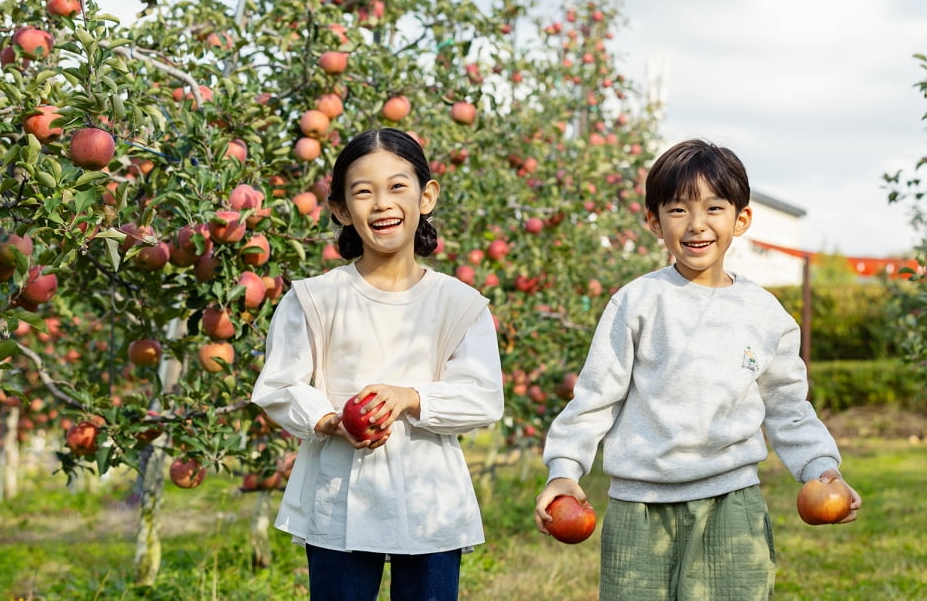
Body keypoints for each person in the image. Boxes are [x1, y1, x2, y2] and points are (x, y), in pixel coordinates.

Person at [534, 138, 861, 601]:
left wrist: (822, 468)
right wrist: (565, 469)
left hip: (731, 502)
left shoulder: (765, 315)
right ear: (654, 221)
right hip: (639, 505)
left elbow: (789, 408)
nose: (696, 224)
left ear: (741, 219)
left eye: (714, 208)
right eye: (678, 210)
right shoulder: (635, 303)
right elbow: (595, 398)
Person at [251, 127, 504, 601]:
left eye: (397, 187)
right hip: (340, 499)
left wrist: (410, 397)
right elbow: (279, 385)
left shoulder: (459, 303)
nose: (382, 203)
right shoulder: (315, 298)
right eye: (363, 192)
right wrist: (329, 420)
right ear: (342, 210)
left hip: (430, 499)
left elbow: (484, 398)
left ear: (427, 196)